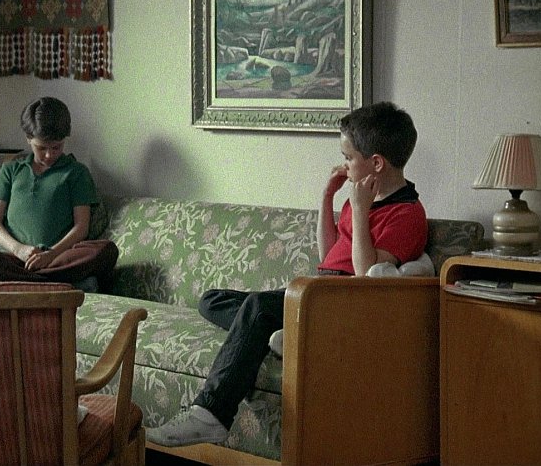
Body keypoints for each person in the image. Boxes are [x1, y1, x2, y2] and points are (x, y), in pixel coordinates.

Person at [146, 101, 428, 447]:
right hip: (319, 287)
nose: (344, 164)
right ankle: (287, 331)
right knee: (211, 299)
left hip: (341, 301)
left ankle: (211, 415)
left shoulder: (407, 214)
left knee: (256, 308)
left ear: (377, 163)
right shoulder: (361, 198)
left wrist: (359, 210)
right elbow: (327, 257)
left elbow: (363, 275)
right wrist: (327, 197)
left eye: (349, 157)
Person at [0, 97, 118, 287]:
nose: (49, 155)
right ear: (28, 139)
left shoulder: (76, 172)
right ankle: (51, 283)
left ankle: (30, 283)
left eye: (56, 147)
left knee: (106, 250)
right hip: (15, 259)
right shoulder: (11, 170)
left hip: (57, 258)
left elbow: (81, 227)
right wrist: (19, 250)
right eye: (41, 148)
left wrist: (51, 254)